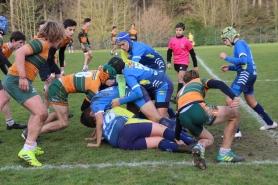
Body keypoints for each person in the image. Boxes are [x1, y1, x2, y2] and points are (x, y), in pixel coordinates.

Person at [3, 20, 65, 167]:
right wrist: (23, 77)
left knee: (39, 112)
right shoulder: (42, 43)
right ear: (54, 35)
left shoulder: (44, 46)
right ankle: (28, 148)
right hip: (16, 79)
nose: (62, 40)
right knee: (41, 113)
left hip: (19, 79)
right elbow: (19, 52)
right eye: (60, 37)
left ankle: (30, 145)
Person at [175, 70, 245, 170]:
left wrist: (177, 137)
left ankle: (199, 147)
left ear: (184, 82)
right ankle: (225, 153)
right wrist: (233, 96)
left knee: (209, 140)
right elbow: (218, 83)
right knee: (235, 115)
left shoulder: (179, 94)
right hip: (197, 109)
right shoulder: (199, 81)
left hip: (184, 118)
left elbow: (178, 120)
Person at [28, 65, 116, 138]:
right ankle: (31, 133)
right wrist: (96, 116)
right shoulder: (95, 87)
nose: (113, 81)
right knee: (63, 123)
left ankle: (31, 128)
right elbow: (84, 107)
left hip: (57, 84)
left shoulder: (97, 72)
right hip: (59, 88)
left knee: (59, 114)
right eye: (111, 79)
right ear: (105, 77)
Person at [89, 85, 195, 144]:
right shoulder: (97, 99)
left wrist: (97, 143)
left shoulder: (95, 105)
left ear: (91, 113)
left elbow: (100, 123)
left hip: (135, 94)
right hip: (131, 92)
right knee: (138, 118)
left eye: (94, 119)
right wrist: (96, 133)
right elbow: (99, 122)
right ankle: (181, 132)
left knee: (157, 119)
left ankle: (186, 136)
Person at [220, 27, 277, 136]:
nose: (225, 43)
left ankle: (234, 131)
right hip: (251, 74)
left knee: (229, 99)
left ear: (230, 36)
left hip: (245, 74)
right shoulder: (240, 44)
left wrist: (226, 57)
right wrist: (230, 68)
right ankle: (270, 123)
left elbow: (243, 61)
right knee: (251, 102)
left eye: (225, 40)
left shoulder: (239, 44)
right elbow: (244, 64)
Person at [81, 106, 193, 154]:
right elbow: (134, 118)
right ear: (92, 113)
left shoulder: (101, 133)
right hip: (127, 127)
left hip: (122, 143)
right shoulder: (112, 110)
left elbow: (102, 132)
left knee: (157, 141)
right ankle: (190, 141)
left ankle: (187, 150)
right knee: (161, 129)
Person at [115, 32, 176, 119]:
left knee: (158, 87)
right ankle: (154, 111)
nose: (121, 47)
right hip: (145, 67)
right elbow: (123, 64)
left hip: (157, 66)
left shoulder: (138, 48)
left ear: (128, 41)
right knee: (146, 89)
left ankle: (171, 114)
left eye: (123, 44)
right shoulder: (124, 51)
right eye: (119, 45)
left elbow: (133, 66)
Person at [108, 57, 173, 119]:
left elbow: (139, 94)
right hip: (153, 86)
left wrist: (120, 101)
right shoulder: (127, 63)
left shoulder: (128, 75)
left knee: (160, 118)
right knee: (133, 104)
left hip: (163, 86)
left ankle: (177, 127)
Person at [39, 19, 76, 116]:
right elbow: (50, 55)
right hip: (43, 60)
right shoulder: (57, 37)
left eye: (73, 30)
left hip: (50, 60)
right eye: (70, 29)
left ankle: (63, 110)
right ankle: (45, 111)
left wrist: (62, 69)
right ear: (64, 29)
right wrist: (52, 72)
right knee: (49, 87)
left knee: (60, 84)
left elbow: (62, 52)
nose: (72, 32)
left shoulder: (68, 39)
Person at [0, 31, 27, 132]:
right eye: (20, 43)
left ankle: (10, 123)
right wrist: (10, 66)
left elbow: (0, 63)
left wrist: (8, 74)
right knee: (4, 98)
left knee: (6, 98)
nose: (22, 45)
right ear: (13, 41)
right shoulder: (4, 47)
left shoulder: (10, 50)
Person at [167, 23, 198, 102]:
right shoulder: (172, 40)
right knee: (183, 79)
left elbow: (192, 54)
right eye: (177, 30)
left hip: (184, 61)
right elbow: (169, 52)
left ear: (183, 31)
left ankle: (178, 98)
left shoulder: (186, 41)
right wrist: (168, 62)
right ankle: (189, 92)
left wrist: (195, 65)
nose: (178, 32)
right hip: (176, 62)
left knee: (180, 78)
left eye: (180, 30)